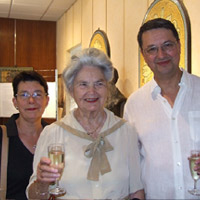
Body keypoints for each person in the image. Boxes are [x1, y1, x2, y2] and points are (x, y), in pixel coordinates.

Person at [27, 48, 144, 199]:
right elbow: (33, 196)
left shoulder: (126, 131)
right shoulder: (53, 133)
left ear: (107, 87)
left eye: (99, 84)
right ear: (71, 90)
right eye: (83, 84)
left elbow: (136, 191)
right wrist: (42, 183)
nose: (92, 92)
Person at [124, 18, 200, 199]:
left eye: (168, 45)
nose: (161, 54)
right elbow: (131, 165)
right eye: (152, 49)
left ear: (179, 45)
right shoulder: (134, 104)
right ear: (143, 54)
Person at [0, 71, 49, 200]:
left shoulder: (55, 135)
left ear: (46, 100)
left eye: (38, 94)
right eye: (24, 95)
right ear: (15, 102)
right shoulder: (2, 137)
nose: (31, 100)